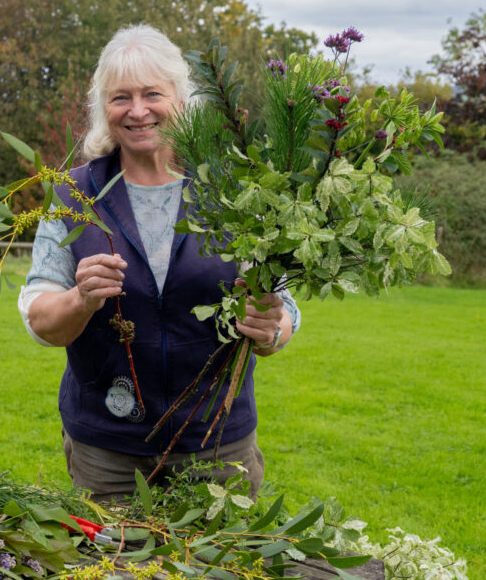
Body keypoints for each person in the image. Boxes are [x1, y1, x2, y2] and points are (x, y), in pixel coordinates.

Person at [18, 24, 300, 501]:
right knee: (113, 571)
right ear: (102, 110)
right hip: (108, 453)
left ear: (181, 100)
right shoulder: (73, 195)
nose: (138, 110)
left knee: (218, 572)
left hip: (217, 447)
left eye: (152, 93)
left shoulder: (236, 189)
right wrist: (80, 299)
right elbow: (40, 320)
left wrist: (272, 328)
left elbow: (283, 308)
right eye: (120, 97)